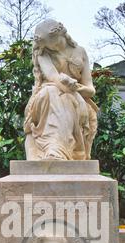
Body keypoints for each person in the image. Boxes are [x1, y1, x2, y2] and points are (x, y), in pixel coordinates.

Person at [24, 19, 98, 161]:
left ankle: (59, 150)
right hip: (45, 96)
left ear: (61, 35)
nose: (51, 49)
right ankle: (54, 150)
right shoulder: (42, 53)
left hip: (73, 95)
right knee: (52, 92)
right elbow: (53, 78)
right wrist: (74, 94)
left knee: (65, 98)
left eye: (52, 44)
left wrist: (76, 89)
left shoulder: (80, 52)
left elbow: (90, 90)